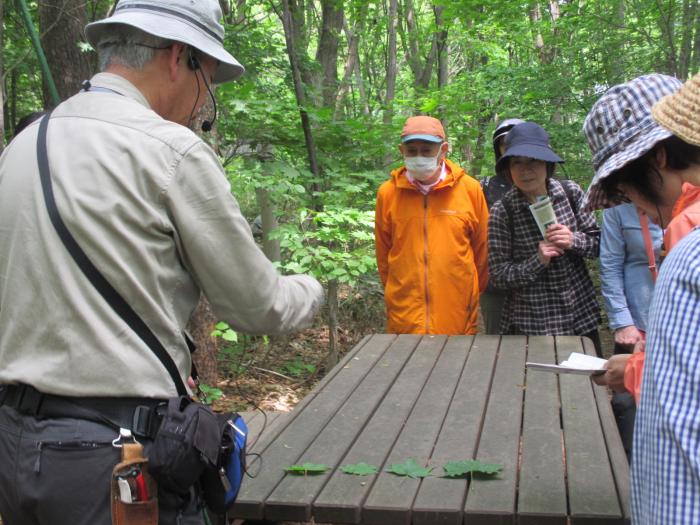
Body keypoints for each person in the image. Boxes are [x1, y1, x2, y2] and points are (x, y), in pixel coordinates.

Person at [0, 1, 323, 524]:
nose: (203, 102)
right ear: (179, 58)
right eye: (209, 80)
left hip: (16, 450)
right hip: (112, 462)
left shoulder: (22, 145)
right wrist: (310, 287)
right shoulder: (170, 150)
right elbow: (258, 308)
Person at [582, 72, 700, 524]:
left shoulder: (690, 250)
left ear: (659, 157)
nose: (628, 200)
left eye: (623, 184)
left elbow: (678, 417)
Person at [488, 121, 602, 354]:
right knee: (534, 389)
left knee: (587, 388)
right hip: (531, 323)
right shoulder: (503, 211)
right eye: (516, 162)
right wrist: (537, 260)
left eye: (533, 161)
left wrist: (573, 240)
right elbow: (498, 276)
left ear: (547, 164)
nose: (524, 170)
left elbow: (598, 245)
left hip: (579, 317)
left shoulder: (570, 193)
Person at [375, 115, 489, 334]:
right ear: (402, 151)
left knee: (455, 366)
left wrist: (468, 292)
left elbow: (482, 252)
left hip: (456, 310)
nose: (419, 156)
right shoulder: (387, 193)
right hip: (405, 313)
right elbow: (384, 255)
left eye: (426, 150)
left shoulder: (470, 189)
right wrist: (396, 292)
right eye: (412, 150)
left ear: (443, 150)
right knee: (408, 366)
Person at [599, 202, 662, 459]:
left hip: (678, 321)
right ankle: (628, 471)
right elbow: (611, 264)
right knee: (628, 405)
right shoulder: (617, 210)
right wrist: (623, 321)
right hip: (638, 318)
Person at [480, 118, 523, 334]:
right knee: (497, 346)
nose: (510, 148)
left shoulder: (546, 184)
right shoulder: (485, 186)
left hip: (536, 285)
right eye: (504, 144)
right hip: (495, 285)